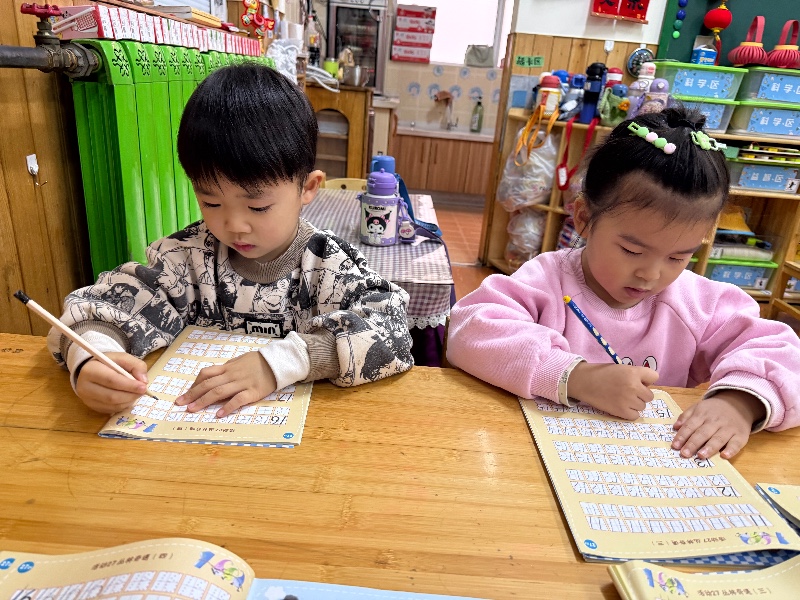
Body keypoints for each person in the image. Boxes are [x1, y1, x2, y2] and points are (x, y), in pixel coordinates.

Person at [47, 64, 413, 417]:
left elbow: (393, 330)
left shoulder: (329, 264)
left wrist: (282, 362)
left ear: (308, 187)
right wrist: (93, 358)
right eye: (211, 202)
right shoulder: (186, 260)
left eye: (258, 206)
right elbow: (98, 309)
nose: (235, 225)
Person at [447, 107, 800, 460]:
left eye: (678, 257)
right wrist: (576, 377)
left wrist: (739, 403)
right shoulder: (547, 280)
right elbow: (471, 330)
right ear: (584, 218)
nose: (651, 274)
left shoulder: (698, 303)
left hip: (648, 467)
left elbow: (782, 354)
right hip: (537, 455)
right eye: (632, 251)